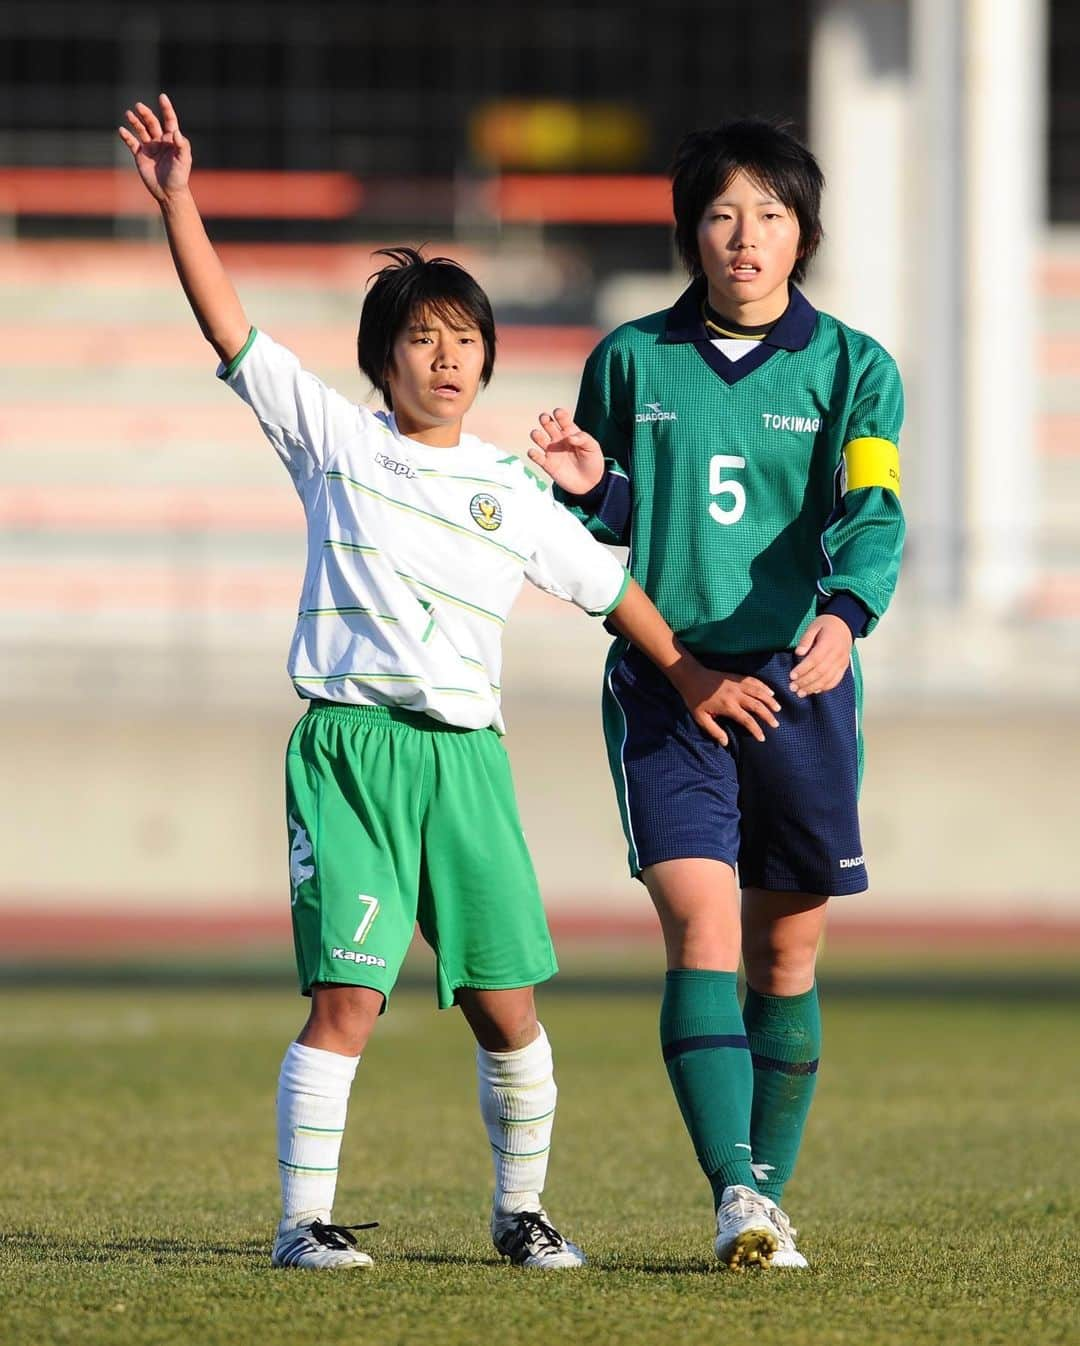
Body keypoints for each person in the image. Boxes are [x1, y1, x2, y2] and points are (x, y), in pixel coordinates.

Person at [118, 94, 779, 1272]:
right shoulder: (335, 439)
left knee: (509, 1011)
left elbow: (607, 587)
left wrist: (689, 677)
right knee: (349, 1002)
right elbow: (231, 331)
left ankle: (520, 1213)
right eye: (422, 337)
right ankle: (301, 1223)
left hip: (467, 761)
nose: (446, 354)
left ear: (485, 355)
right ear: (386, 357)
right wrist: (179, 200)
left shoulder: (513, 487)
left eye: (464, 337)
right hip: (355, 751)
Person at [529, 118, 905, 1270]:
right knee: (700, 925)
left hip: (800, 690)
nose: (746, 238)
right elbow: (604, 536)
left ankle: (766, 1199)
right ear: (692, 230)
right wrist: (592, 492)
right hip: (666, 687)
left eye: (772, 215)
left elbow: (873, 511)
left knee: (784, 961)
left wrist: (843, 615)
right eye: (724, 215)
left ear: (804, 232)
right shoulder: (630, 359)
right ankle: (734, 1192)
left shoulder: (856, 367)